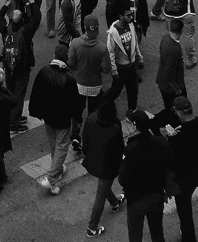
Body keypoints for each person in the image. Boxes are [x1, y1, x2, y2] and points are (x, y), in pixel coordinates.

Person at [29, 41, 81, 194]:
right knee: (62, 146)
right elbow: (75, 102)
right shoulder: (69, 78)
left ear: (54, 57)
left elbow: (36, 93)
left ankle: (57, 168)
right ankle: (51, 178)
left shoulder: (44, 71)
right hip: (63, 119)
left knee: (54, 143)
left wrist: (36, 111)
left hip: (47, 116)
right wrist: (77, 117)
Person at [118, 109, 175, 242]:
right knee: (157, 232)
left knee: (135, 235)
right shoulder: (161, 143)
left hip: (136, 199)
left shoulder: (131, 148)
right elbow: (171, 166)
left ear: (134, 125)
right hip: (157, 194)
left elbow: (123, 178)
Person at [166, 96, 198, 242]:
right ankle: (185, 230)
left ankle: (188, 237)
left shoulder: (179, 138)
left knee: (184, 212)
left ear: (180, 113)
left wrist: (171, 137)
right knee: (185, 207)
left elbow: (172, 156)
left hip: (183, 180)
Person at [82, 98, 127, 236]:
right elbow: (119, 149)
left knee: (103, 188)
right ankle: (92, 227)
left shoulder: (91, 118)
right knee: (100, 196)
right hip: (107, 165)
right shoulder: (114, 128)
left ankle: (114, 203)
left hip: (92, 159)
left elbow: (85, 139)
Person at [156, 18, 187, 111]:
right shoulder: (175, 49)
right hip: (171, 88)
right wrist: (177, 89)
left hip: (162, 82)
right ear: (181, 31)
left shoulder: (165, 37)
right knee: (177, 107)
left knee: (168, 106)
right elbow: (169, 73)